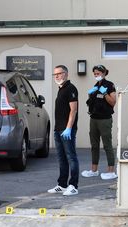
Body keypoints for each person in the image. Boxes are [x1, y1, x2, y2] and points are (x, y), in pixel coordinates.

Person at [47, 65, 80, 196]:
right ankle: (62, 184)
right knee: (61, 158)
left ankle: (73, 186)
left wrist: (68, 128)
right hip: (58, 129)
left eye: (59, 74)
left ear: (65, 74)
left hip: (67, 130)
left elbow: (74, 109)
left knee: (71, 157)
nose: (56, 76)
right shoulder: (61, 89)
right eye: (55, 74)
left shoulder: (71, 88)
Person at [82, 65, 118, 180]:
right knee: (94, 145)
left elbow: (113, 102)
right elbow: (91, 102)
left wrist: (105, 93)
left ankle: (111, 171)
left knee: (107, 144)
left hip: (105, 119)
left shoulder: (109, 85)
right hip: (94, 118)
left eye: (97, 73)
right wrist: (90, 94)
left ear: (103, 73)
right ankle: (94, 170)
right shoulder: (95, 86)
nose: (95, 75)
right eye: (94, 73)